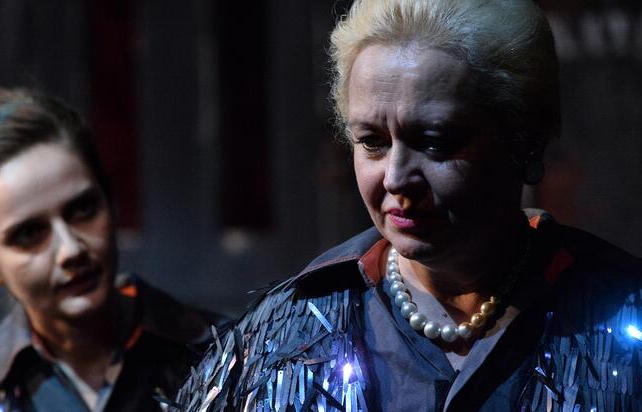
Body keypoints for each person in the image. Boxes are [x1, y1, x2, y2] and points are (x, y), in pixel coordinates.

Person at [176, 0, 642, 410]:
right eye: (372, 142)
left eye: (435, 142)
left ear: (525, 140)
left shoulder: (622, 315)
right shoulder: (285, 337)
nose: (396, 177)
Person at [0, 87, 213, 412]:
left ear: (111, 204)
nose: (70, 250)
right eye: (29, 234)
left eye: (83, 209)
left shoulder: (227, 358)